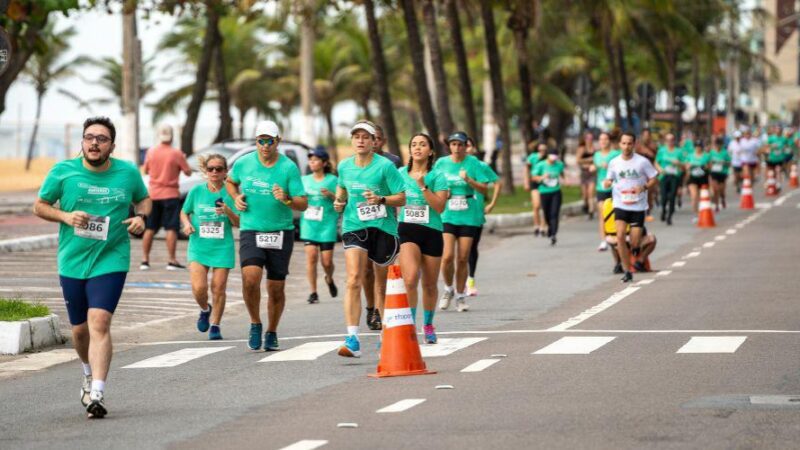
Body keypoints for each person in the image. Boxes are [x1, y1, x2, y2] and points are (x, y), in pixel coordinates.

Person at [34, 117, 151, 418]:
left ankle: (98, 390)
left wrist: (141, 218)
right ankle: (87, 372)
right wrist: (66, 217)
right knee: (79, 330)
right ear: (83, 142)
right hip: (72, 259)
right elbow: (40, 205)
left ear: (112, 145)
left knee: (99, 321)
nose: (94, 143)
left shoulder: (127, 172)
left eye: (101, 138)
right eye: (89, 137)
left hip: (111, 257)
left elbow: (145, 199)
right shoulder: (64, 171)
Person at [226, 120, 308, 352]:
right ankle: (255, 322)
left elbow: (303, 204)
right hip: (251, 228)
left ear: (277, 142)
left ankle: (272, 330)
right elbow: (231, 182)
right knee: (250, 278)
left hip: (281, 231)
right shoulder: (244, 163)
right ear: (256, 142)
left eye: (269, 141)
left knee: (275, 288)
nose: (264, 145)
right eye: (260, 140)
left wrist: (287, 199)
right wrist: (236, 197)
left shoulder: (288, 168)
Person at [334, 121, 406, 358]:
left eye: (366, 136)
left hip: (383, 227)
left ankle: (386, 333)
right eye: (356, 136)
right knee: (354, 277)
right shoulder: (344, 166)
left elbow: (402, 198)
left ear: (374, 141)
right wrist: (339, 201)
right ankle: (352, 338)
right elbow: (341, 189)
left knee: (381, 284)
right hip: (355, 226)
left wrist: (381, 200)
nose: (361, 140)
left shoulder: (386, 166)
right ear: (352, 140)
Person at [180, 154, 240, 340]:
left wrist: (228, 210)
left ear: (225, 172)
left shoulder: (231, 194)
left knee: (218, 287)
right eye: (211, 168)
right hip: (199, 246)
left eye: (219, 169)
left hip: (222, 248)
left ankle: (215, 325)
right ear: (205, 171)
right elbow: (184, 211)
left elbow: (238, 223)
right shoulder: (196, 191)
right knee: (199, 288)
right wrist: (187, 224)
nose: (214, 172)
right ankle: (205, 309)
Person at [398, 133, 449, 344]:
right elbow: (391, 196)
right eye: (414, 144)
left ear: (430, 151)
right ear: (409, 150)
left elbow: (439, 206)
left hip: (432, 231)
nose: (417, 148)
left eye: (422, 144)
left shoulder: (438, 176)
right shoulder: (399, 173)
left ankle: (427, 324)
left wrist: (422, 186)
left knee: (429, 284)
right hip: (407, 229)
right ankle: (409, 325)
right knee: (409, 279)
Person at [436, 131, 491, 312]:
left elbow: (484, 189)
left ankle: (460, 295)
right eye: (453, 144)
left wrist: (469, 180)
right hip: (448, 214)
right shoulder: (441, 163)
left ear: (465, 146)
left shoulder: (473, 163)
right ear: (449, 146)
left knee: (462, 258)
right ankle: (447, 289)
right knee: (447, 257)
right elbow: (433, 185)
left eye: (460, 144)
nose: (457, 148)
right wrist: (443, 193)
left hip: (469, 215)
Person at [603, 132, 658, 282]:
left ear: (634, 144)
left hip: (638, 206)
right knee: (620, 236)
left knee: (634, 243)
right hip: (620, 204)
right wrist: (607, 183)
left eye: (629, 143)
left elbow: (653, 177)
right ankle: (627, 271)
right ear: (620, 144)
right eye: (624, 143)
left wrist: (645, 187)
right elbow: (609, 179)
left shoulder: (642, 162)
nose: (626, 147)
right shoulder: (614, 162)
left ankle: (636, 254)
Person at [140, 124, 191, 271]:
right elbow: (187, 172)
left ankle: (144, 260)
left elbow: (146, 170)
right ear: (172, 136)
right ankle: (171, 260)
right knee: (171, 228)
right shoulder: (177, 153)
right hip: (171, 194)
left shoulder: (151, 152)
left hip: (153, 194)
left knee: (149, 227)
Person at [300, 147, 339, 304]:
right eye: (310, 160)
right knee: (311, 258)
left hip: (327, 225)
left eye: (315, 160)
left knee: (327, 262)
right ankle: (313, 292)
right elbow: (298, 198)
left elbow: (341, 199)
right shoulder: (304, 180)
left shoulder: (333, 180)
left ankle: (329, 278)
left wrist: (330, 195)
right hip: (309, 224)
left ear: (324, 163)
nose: (312, 163)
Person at [465, 136, 500, 297]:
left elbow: (497, 182)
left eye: (468, 145)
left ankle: (470, 279)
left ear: (473, 149)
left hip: (476, 213)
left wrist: (492, 203)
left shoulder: (480, 166)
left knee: (472, 247)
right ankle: (458, 280)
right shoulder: (449, 166)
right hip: (453, 215)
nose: (464, 148)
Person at [601, 199, 657, 274]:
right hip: (626, 238)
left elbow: (602, 222)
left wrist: (604, 238)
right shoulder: (628, 204)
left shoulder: (606, 203)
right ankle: (640, 261)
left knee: (616, 242)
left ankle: (618, 264)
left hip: (610, 238)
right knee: (652, 238)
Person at [591, 132, 621, 251]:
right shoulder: (597, 155)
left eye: (605, 139)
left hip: (615, 187)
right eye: (601, 139)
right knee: (602, 214)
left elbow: (621, 168)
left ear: (609, 141)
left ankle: (618, 237)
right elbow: (594, 167)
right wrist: (593, 168)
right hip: (601, 187)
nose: (603, 141)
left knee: (617, 215)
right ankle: (603, 241)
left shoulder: (616, 154)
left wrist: (609, 166)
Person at [531, 148, 566, 246]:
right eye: (552, 155)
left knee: (554, 213)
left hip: (556, 191)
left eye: (556, 155)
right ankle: (550, 229)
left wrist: (565, 179)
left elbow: (562, 172)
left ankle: (553, 234)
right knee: (546, 213)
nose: (554, 158)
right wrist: (542, 177)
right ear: (548, 155)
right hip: (544, 192)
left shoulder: (559, 164)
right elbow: (533, 177)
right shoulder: (541, 165)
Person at [655, 133, 684, 225]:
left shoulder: (679, 151)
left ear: (674, 141)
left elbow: (684, 166)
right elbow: (656, 162)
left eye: (671, 140)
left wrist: (678, 163)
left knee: (672, 197)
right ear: (665, 141)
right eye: (668, 140)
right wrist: (659, 169)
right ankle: (663, 210)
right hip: (664, 176)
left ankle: (670, 216)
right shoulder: (662, 150)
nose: (670, 142)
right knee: (663, 197)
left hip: (674, 176)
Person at [525, 142, 548, 237]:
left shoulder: (548, 158)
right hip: (535, 183)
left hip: (546, 183)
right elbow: (526, 169)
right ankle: (536, 225)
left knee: (544, 206)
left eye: (544, 150)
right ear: (537, 150)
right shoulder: (533, 157)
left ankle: (543, 226)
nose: (542, 152)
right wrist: (526, 182)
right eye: (540, 150)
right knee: (536, 205)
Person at [685, 140, 711, 223]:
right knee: (694, 196)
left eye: (699, 146)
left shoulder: (706, 156)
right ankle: (696, 214)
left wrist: (705, 167)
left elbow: (709, 166)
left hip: (703, 178)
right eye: (696, 146)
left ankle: (702, 212)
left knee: (702, 197)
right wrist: (689, 167)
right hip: (693, 178)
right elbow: (686, 166)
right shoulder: (690, 156)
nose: (698, 148)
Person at [708, 137, 731, 211]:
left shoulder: (725, 152)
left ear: (721, 145)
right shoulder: (711, 152)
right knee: (715, 189)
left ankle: (723, 198)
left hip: (722, 173)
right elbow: (708, 162)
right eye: (716, 144)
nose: (717, 146)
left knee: (721, 190)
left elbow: (729, 163)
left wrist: (723, 162)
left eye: (719, 145)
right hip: (714, 172)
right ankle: (716, 205)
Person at [577, 132, 596, 219]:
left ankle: (591, 211)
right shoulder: (582, 148)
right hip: (584, 173)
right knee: (585, 194)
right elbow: (578, 160)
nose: (589, 140)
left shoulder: (594, 149)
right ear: (585, 139)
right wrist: (589, 160)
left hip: (592, 173)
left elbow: (596, 160)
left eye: (591, 138)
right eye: (588, 138)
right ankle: (586, 205)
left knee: (590, 192)